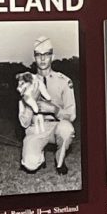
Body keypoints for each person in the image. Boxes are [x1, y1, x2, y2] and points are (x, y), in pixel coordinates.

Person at [17, 37, 78, 176]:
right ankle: (39, 155)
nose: (43, 59)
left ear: (53, 56)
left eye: (47, 54)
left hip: (56, 126)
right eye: (39, 55)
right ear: (34, 57)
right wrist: (30, 100)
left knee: (67, 129)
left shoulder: (64, 81)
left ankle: (60, 160)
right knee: (30, 164)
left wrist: (54, 109)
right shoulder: (26, 80)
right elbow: (24, 123)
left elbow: (71, 115)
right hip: (35, 128)